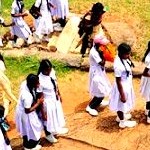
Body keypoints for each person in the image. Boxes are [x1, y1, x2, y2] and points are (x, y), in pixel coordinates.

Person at [37, 59, 68, 143]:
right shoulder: (39, 80)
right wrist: (43, 112)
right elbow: (40, 96)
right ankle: (48, 135)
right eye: (47, 70)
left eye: (50, 69)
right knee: (47, 120)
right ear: (43, 70)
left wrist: (59, 94)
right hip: (47, 102)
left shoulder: (51, 72)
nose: (49, 71)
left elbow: (56, 83)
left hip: (55, 99)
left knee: (56, 115)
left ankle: (56, 129)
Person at [109, 43, 137, 128]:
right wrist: (122, 94)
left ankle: (121, 116)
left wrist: (130, 60)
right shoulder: (118, 66)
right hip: (122, 87)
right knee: (121, 104)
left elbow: (127, 58)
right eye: (127, 54)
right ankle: (122, 122)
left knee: (123, 104)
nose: (129, 55)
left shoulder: (122, 57)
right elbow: (118, 81)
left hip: (127, 84)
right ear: (121, 53)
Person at [15, 74, 43, 150]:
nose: (39, 84)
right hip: (26, 113)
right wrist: (38, 103)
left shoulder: (25, 83)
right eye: (37, 83)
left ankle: (26, 145)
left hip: (22, 111)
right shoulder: (27, 96)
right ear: (32, 84)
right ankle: (29, 147)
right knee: (30, 129)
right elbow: (27, 110)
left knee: (26, 129)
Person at [85, 34, 111, 116]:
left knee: (102, 89)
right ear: (98, 44)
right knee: (100, 90)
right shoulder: (94, 52)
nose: (104, 45)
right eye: (102, 44)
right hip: (96, 73)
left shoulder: (97, 49)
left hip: (99, 71)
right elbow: (102, 63)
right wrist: (104, 54)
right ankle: (90, 107)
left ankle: (99, 101)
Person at [0, 53, 17, 117]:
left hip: (2, 85)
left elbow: (9, 92)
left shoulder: (1, 64)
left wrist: (17, 101)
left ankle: (3, 116)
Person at [140, 41, 150, 123]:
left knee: (149, 97)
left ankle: (147, 111)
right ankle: (149, 117)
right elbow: (145, 72)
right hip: (149, 79)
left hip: (148, 80)